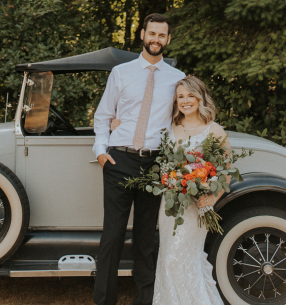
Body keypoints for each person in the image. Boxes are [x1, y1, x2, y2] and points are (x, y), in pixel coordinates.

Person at [92, 13, 185, 305]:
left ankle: (145, 299)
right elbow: (103, 116)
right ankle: (105, 300)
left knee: (146, 237)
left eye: (162, 35)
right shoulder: (121, 73)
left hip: (156, 164)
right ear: (142, 34)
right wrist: (101, 153)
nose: (156, 39)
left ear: (168, 40)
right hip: (120, 161)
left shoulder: (178, 79)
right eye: (152, 33)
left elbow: (183, 119)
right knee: (113, 235)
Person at [111, 76, 228, 304]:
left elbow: (226, 174)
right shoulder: (171, 126)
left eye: (190, 96)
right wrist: (116, 123)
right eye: (180, 97)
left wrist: (211, 197)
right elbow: (142, 125)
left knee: (181, 259)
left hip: (196, 207)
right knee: (167, 259)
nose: (185, 101)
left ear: (200, 97)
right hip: (171, 204)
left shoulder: (215, 131)